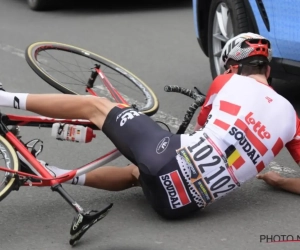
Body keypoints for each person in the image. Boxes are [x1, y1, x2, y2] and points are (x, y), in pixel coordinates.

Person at [1, 32, 300, 220]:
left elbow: (203, 126)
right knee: (136, 175)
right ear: (268, 69)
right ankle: (50, 172)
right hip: (178, 208)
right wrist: (280, 181)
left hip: (167, 157)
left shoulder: (227, 82)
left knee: (95, 107)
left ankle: (5, 98)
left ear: (233, 67)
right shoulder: (292, 117)